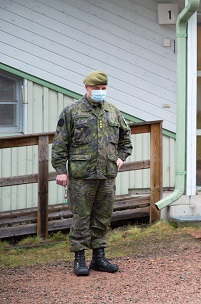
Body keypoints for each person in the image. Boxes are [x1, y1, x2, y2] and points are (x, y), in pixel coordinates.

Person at [51, 70, 132, 276]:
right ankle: (79, 259)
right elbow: (60, 143)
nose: (100, 92)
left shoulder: (112, 111)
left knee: (103, 217)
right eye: (97, 89)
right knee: (81, 217)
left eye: (104, 89)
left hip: (106, 175)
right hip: (81, 176)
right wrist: (61, 170)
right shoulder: (72, 112)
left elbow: (126, 138)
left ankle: (98, 258)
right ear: (87, 88)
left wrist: (121, 156)